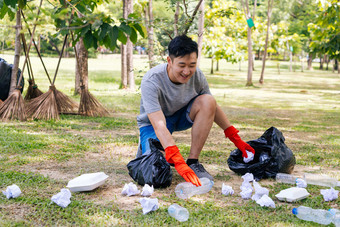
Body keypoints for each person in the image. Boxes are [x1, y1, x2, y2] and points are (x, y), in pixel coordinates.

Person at [137, 35, 255, 187]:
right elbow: (159, 124)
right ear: (169, 61)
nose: (187, 71)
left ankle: (193, 162)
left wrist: (234, 136)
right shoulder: (151, 80)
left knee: (208, 100)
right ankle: (146, 150)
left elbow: (211, 106)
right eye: (182, 65)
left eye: (192, 65)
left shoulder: (197, 75)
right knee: (156, 173)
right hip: (154, 124)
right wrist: (175, 157)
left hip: (181, 117)